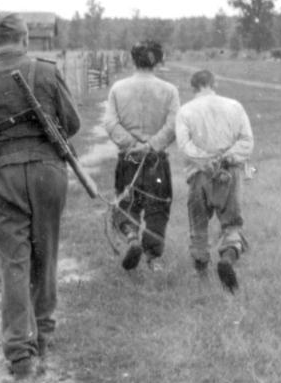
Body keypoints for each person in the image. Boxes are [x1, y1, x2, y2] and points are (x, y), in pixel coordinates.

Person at [0, 13, 81, 379]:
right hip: (48, 172)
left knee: (15, 264)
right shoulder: (48, 71)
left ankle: (20, 355)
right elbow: (71, 124)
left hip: (3, 176)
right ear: (24, 39)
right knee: (46, 256)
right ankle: (44, 337)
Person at [103, 40, 180, 271]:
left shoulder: (118, 88)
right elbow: (174, 124)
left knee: (127, 203)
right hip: (157, 160)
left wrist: (132, 144)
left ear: (132, 59)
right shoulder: (169, 90)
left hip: (129, 158)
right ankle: (153, 259)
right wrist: (152, 145)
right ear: (158, 59)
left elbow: (110, 123)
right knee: (158, 208)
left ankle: (131, 239)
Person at [175, 70, 254, 293]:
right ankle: (228, 257)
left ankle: (201, 275)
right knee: (232, 223)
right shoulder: (234, 106)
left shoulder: (186, 111)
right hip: (229, 173)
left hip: (199, 175)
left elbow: (184, 146)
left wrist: (206, 161)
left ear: (193, 87)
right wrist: (227, 157)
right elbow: (247, 141)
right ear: (213, 83)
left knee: (198, 225)